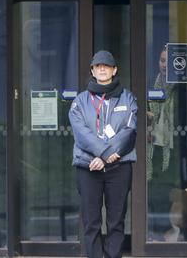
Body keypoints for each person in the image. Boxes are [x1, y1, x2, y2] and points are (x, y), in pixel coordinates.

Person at [69, 50, 138, 258]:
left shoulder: (128, 98)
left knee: (116, 222)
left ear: (114, 70)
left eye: (106, 66)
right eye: (97, 66)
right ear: (92, 70)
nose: (102, 69)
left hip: (119, 167)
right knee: (91, 222)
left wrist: (105, 157)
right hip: (88, 168)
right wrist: (103, 154)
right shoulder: (80, 102)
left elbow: (129, 131)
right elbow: (82, 134)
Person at [146, 46, 187, 242]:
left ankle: (186, 233)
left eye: (169, 61)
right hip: (154, 150)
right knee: (155, 190)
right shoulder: (152, 88)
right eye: (162, 60)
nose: (165, 65)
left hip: (177, 152)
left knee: (175, 191)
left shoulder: (185, 92)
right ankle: (161, 231)